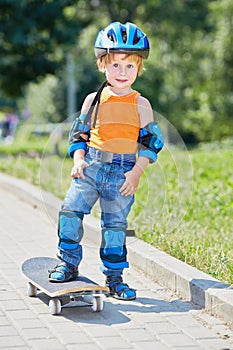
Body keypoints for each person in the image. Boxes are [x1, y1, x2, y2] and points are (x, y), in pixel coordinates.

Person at [48, 22, 164, 300]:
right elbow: (79, 135)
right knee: (69, 212)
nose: (122, 72)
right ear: (102, 65)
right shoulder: (94, 100)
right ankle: (68, 263)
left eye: (130, 66)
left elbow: (151, 143)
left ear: (139, 68)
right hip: (91, 166)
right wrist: (78, 160)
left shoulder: (141, 104)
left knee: (114, 226)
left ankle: (115, 279)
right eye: (115, 65)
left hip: (123, 171)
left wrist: (136, 172)